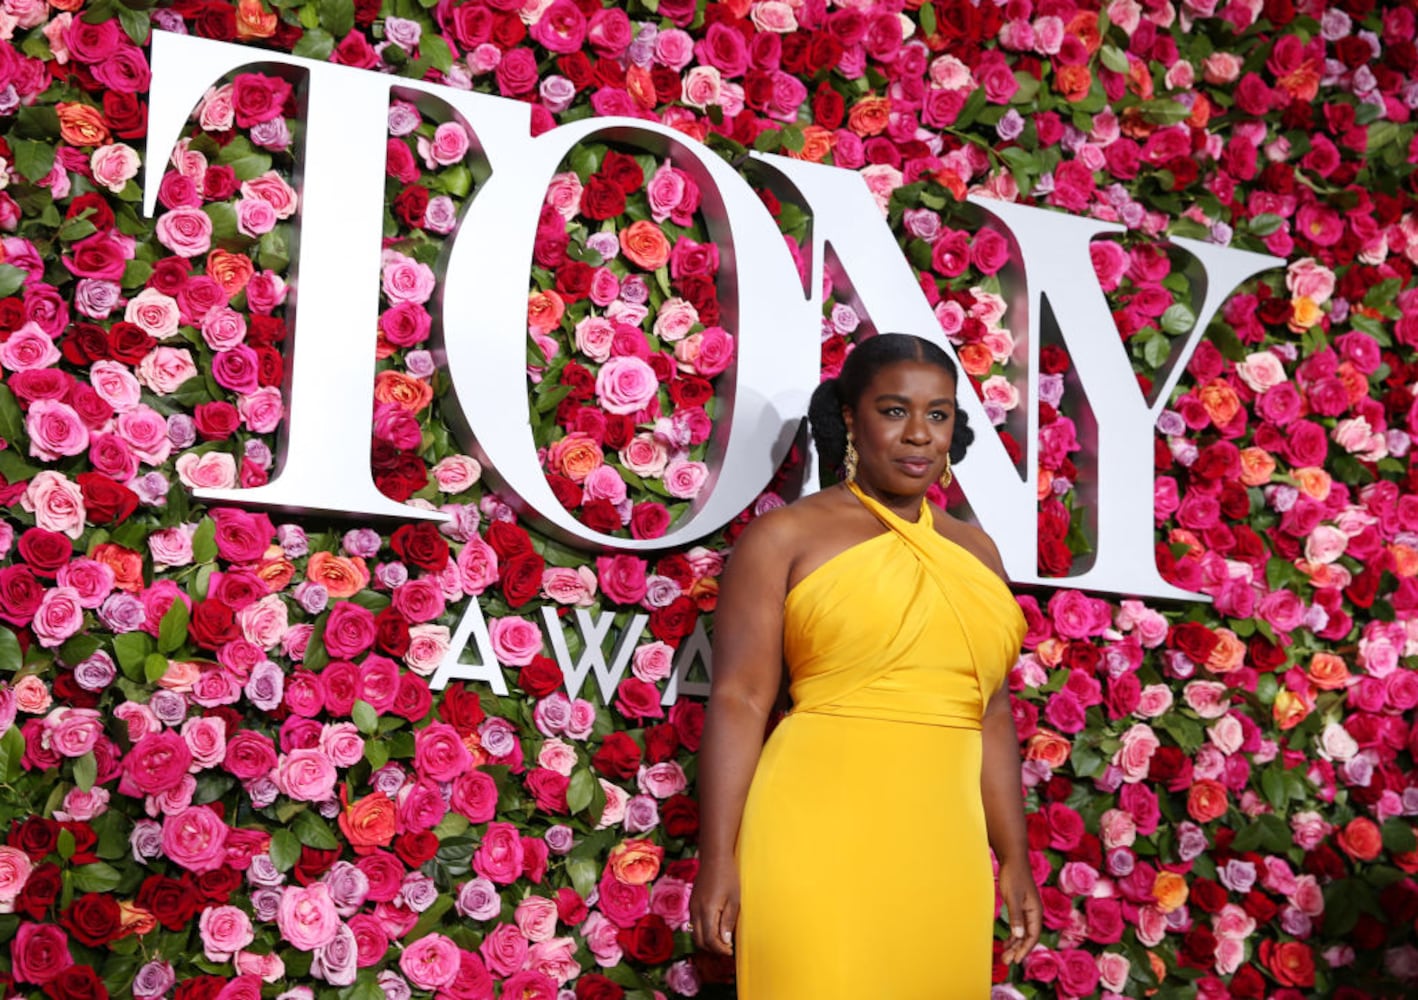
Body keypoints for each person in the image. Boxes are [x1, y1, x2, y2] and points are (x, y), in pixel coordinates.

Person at [689, 333, 1042, 997]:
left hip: (943, 844)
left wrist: (1014, 857)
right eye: (893, 410)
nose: (918, 435)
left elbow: (993, 713)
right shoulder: (786, 538)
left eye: (938, 415)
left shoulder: (978, 552)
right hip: (813, 828)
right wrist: (718, 859)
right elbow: (739, 700)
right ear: (850, 417)